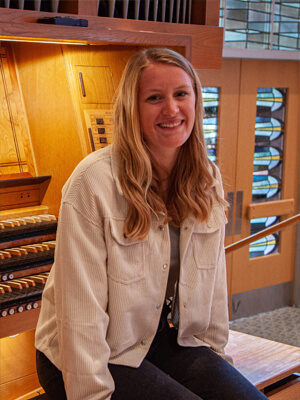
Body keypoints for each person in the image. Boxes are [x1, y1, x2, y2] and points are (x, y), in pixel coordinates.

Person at [35, 47, 267, 400]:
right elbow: (79, 315)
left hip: (162, 337)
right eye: (154, 98)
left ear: (195, 101)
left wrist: (216, 367)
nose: (171, 109)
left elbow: (213, 286)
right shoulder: (92, 182)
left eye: (181, 94)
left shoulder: (207, 178)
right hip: (86, 354)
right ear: (132, 108)